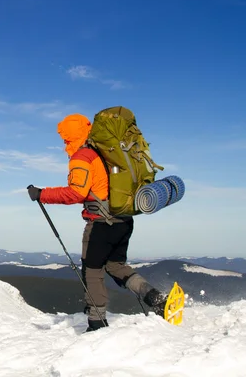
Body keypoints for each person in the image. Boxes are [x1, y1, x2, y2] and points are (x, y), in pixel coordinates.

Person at [27, 113, 168, 332]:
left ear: (69, 135)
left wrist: (42, 194)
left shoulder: (82, 157)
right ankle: (155, 298)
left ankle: (96, 323)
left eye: (64, 137)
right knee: (116, 266)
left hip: (101, 223)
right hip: (124, 219)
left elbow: (76, 193)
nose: (63, 142)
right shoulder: (105, 153)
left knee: (92, 271)